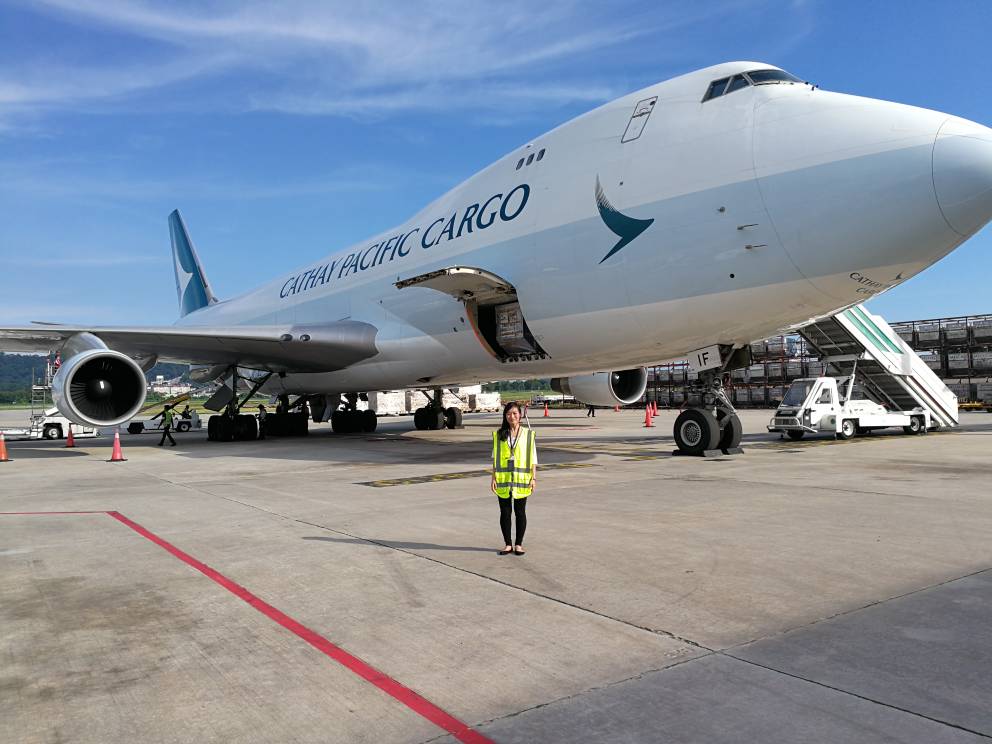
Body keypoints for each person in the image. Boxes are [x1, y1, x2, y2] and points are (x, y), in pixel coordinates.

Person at [491, 401, 537, 556]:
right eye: (509, 414)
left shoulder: (528, 434)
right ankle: (507, 544)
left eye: (515, 413)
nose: (512, 416)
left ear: (520, 415)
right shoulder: (499, 435)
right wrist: (493, 478)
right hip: (503, 478)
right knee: (505, 512)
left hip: (521, 479)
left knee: (520, 512)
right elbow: (495, 458)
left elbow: (533, 458)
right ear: (505, 416)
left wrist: (534, 478)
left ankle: (518, 544)